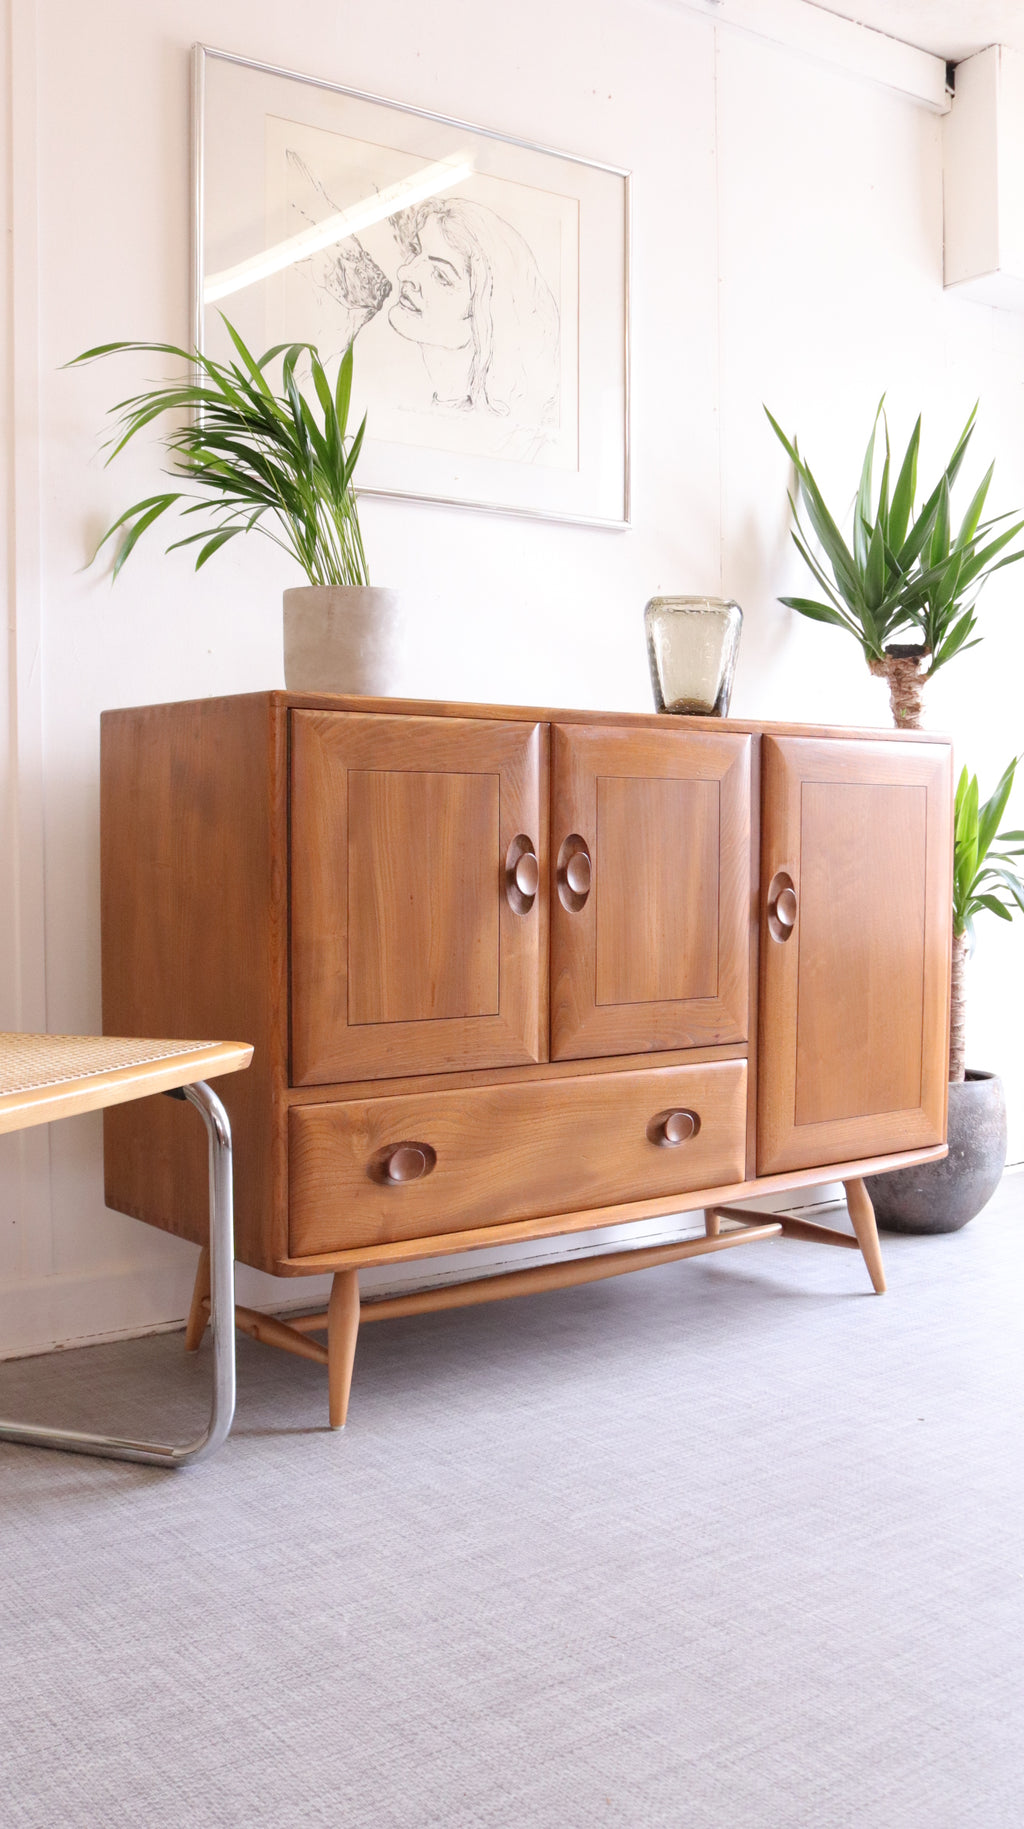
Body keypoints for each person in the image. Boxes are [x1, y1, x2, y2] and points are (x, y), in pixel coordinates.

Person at [388, 196, 561, 451]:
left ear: (485, 312)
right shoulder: (403, 406)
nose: (405, 273)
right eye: (415, 251)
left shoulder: (513, 443)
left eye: (441, 275)